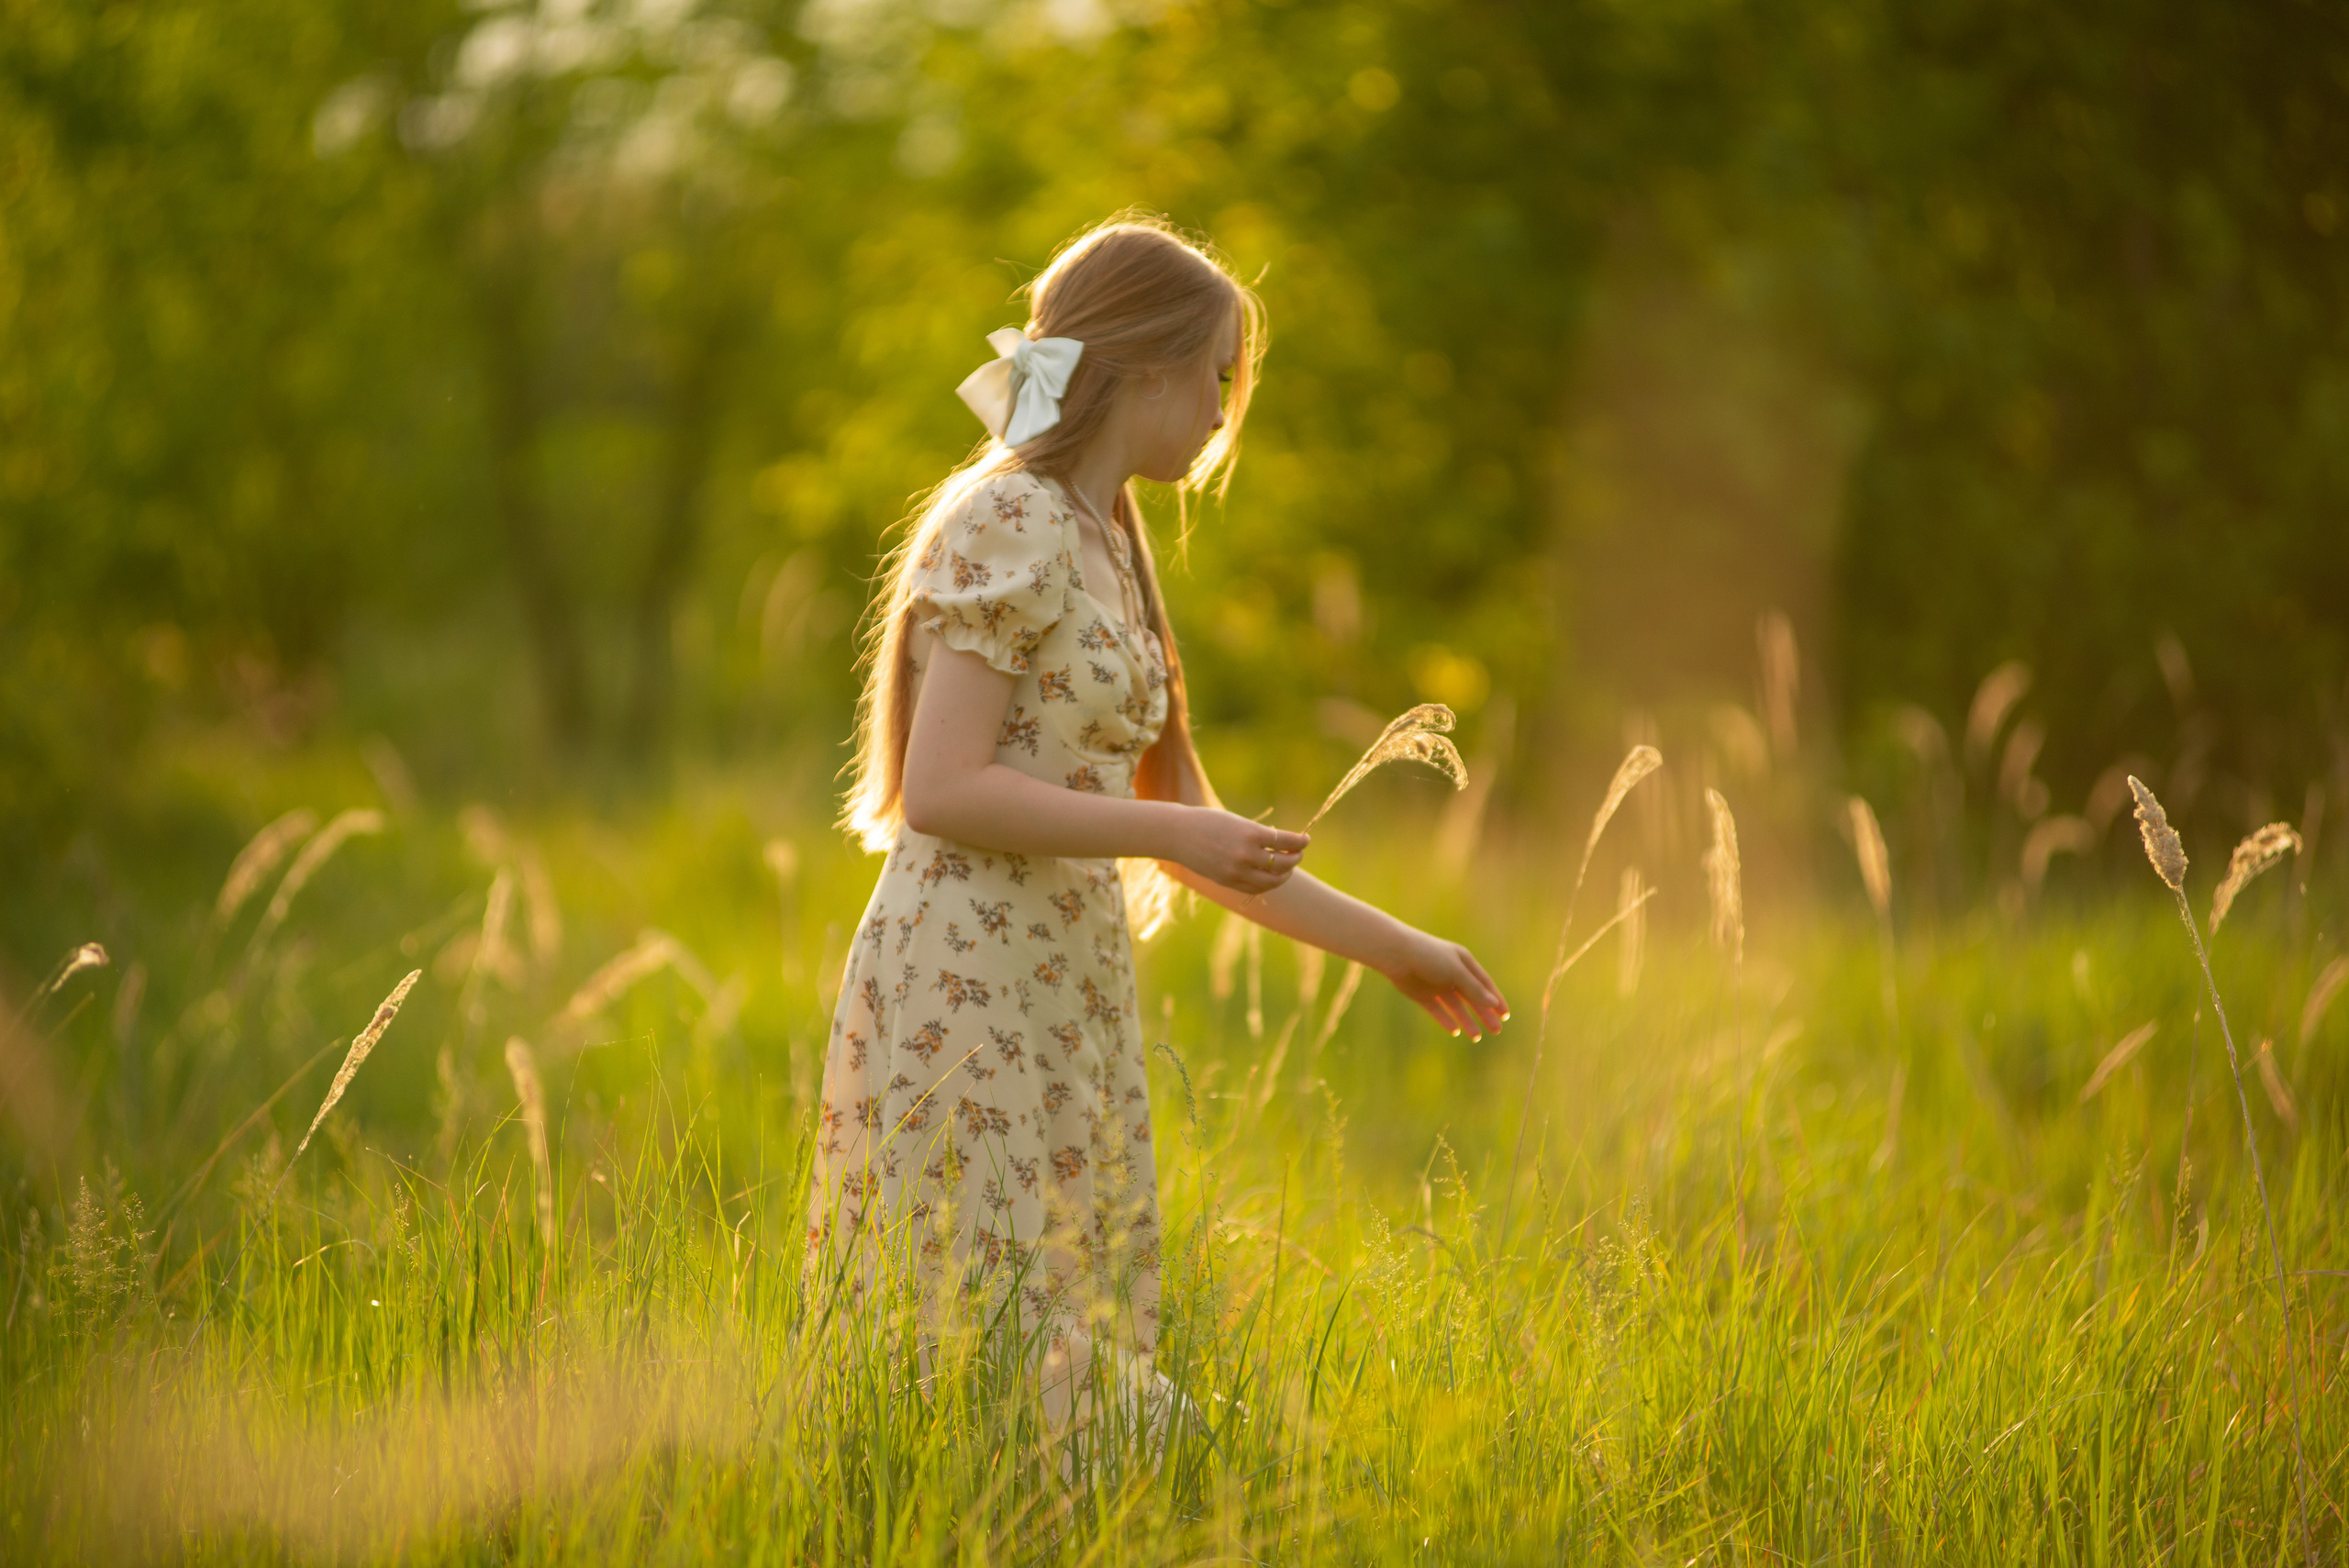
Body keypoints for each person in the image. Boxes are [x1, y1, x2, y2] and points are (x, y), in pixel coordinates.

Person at [810, 214, 1508, 1430]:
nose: (1227, 409)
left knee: (1054, 1304)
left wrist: (1397, 946)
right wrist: (1164, 839)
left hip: (1060, 971)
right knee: (987, 1321)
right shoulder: (1009, 518)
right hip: (966, 966)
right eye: (1220, 378)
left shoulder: (1107, 540)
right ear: (1144, 367)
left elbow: (1199, 829)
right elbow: (943, 789)